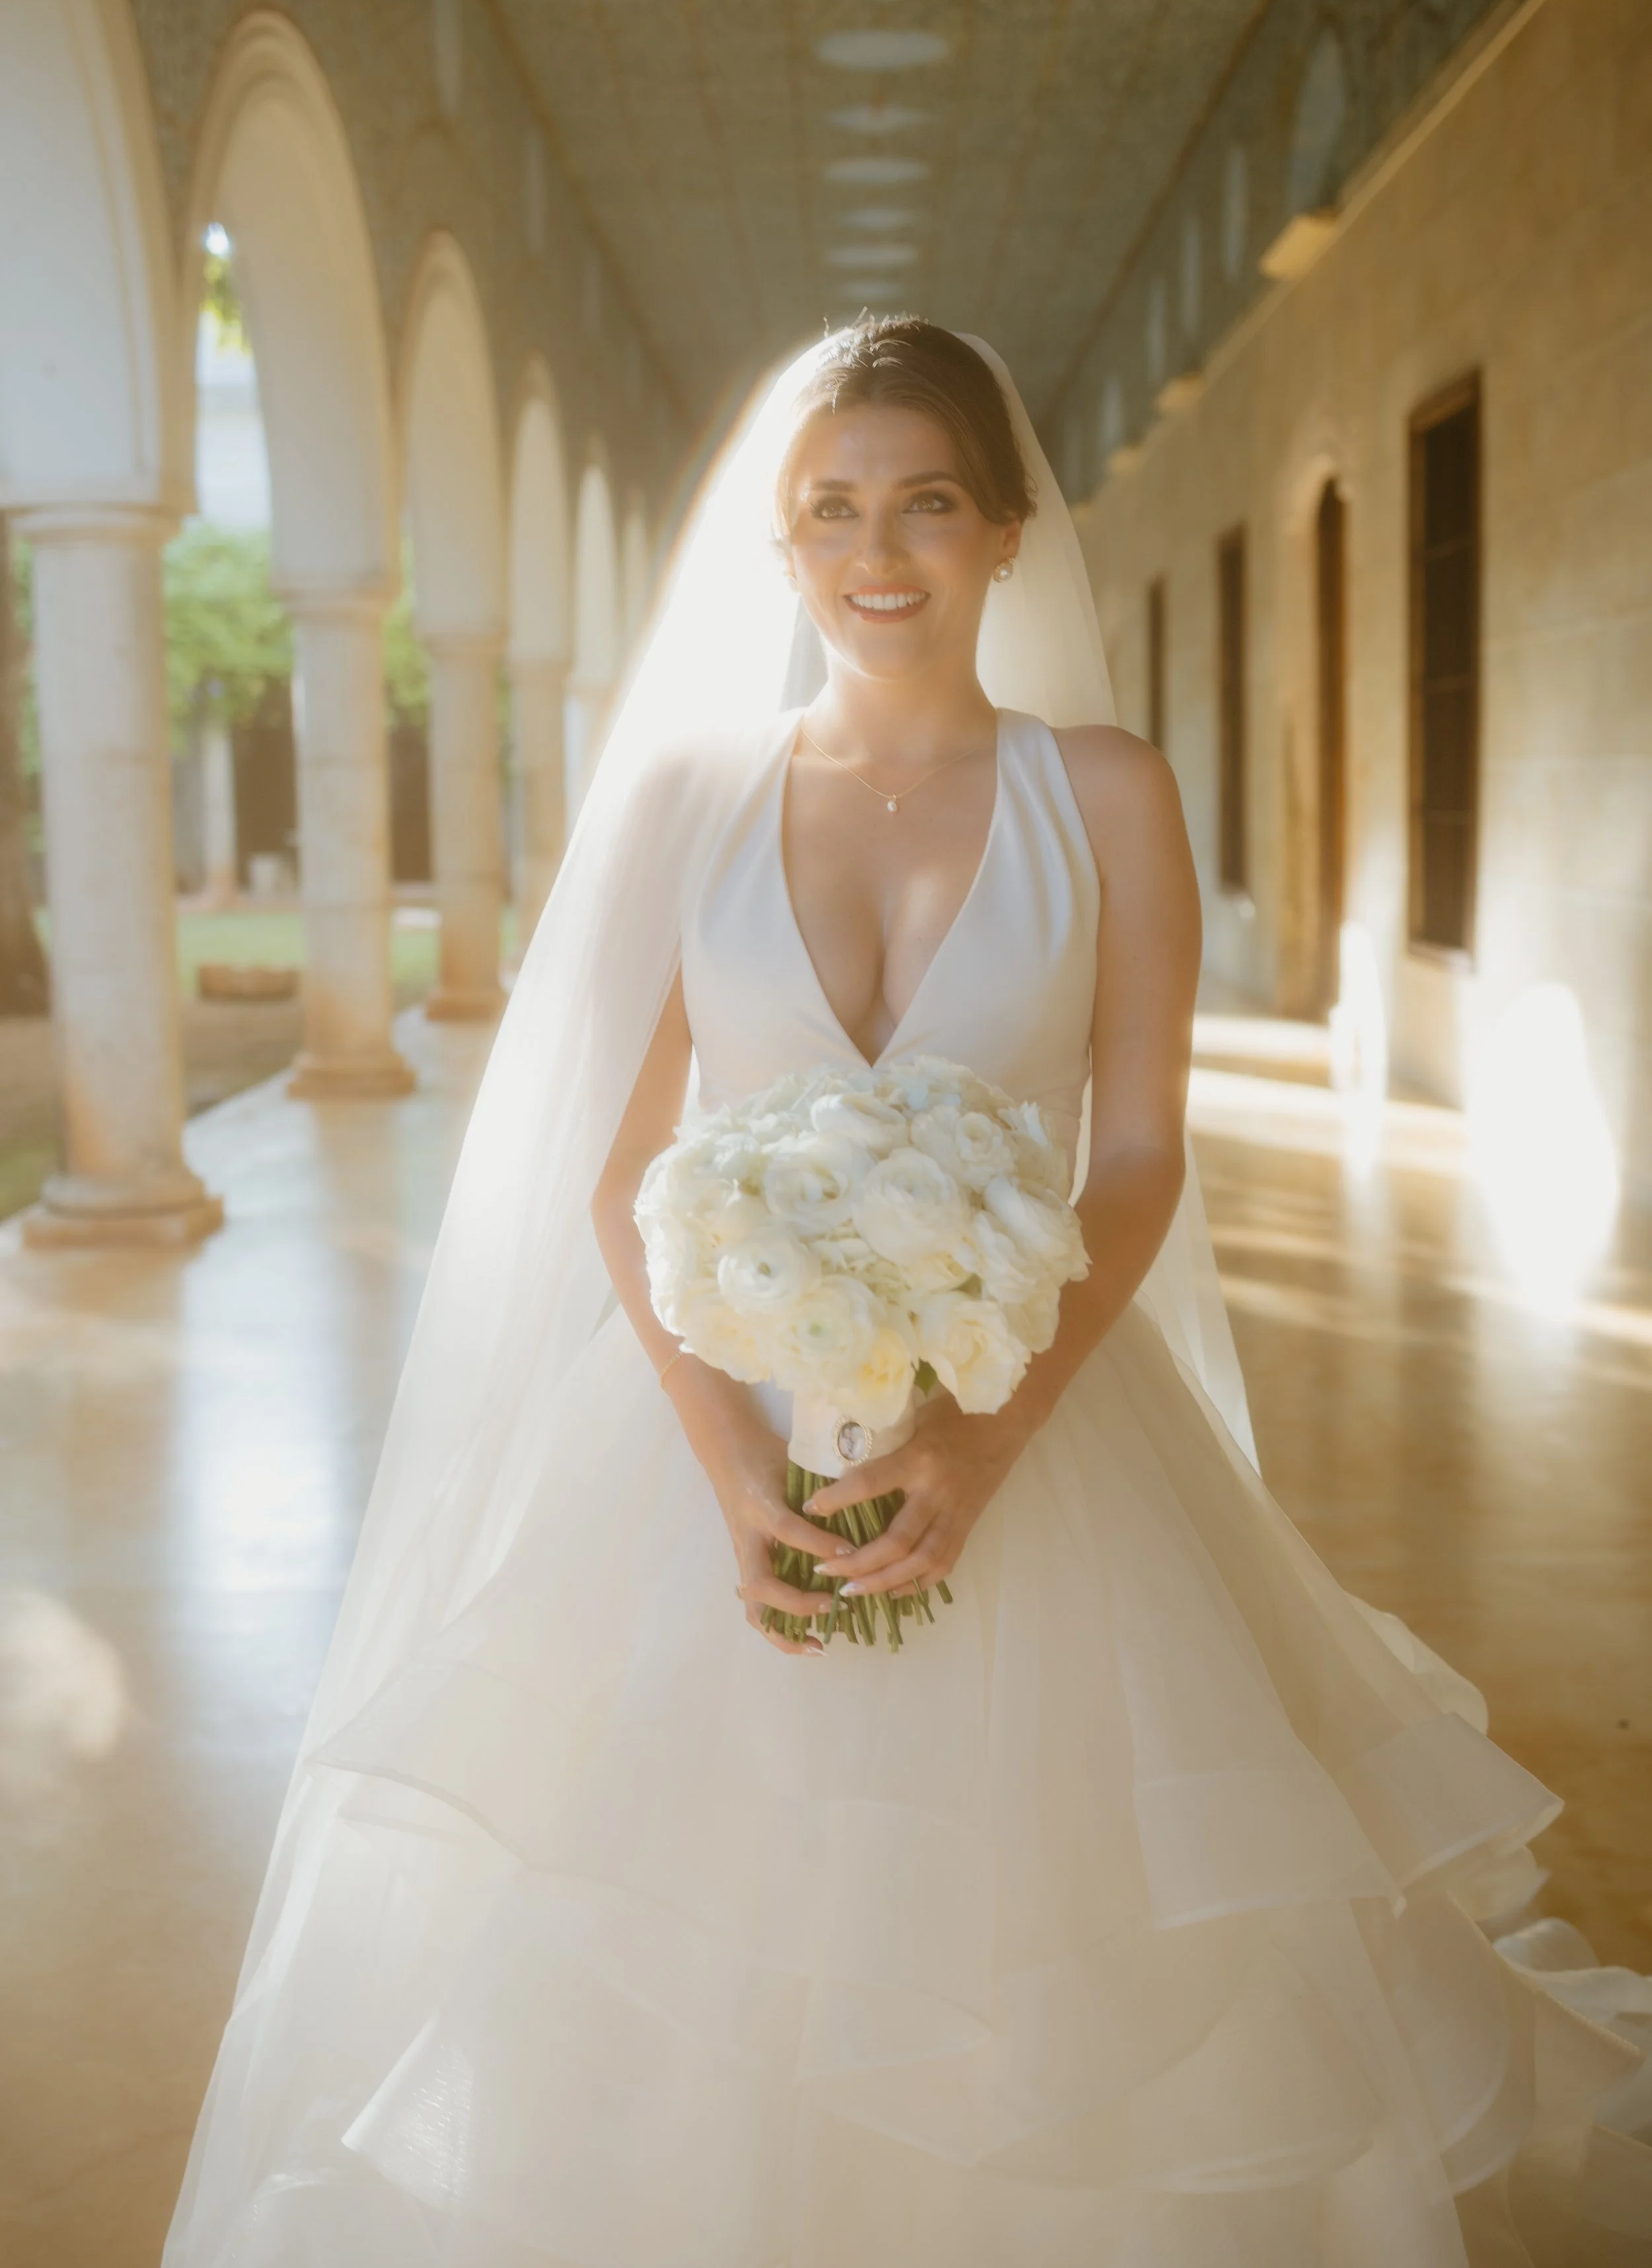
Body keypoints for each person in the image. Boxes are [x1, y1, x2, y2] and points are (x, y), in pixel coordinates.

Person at [166, 322, 1651, 2267]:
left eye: (924, 502)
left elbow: (1129, 1157)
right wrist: (727, 1469)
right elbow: (617, 1172)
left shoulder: (1103, 789)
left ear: (1007, 527)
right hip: (707, 1436)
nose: (878, 552)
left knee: (1071, 1976)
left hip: (1030, 1433)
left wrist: (981, 1430)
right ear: (781, 547)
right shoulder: (690, 794)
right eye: (831, 510)